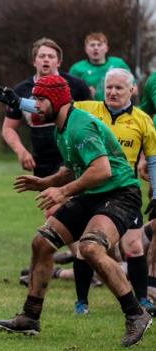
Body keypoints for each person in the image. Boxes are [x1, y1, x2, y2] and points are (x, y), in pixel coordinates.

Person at [0, 75, 152, 347]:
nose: (36, 107)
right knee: (42, 242)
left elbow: (102, 170)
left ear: (55, 100)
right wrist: (45, 182)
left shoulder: (80, 127)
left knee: (91, 248)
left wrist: (63, 191)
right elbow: (73, 169)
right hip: (92, 193)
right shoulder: (61, 127)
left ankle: (136, 314)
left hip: (119, 193)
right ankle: (30, 317)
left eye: (41, 100)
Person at [72, 68, 156, 314]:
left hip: (125, 192)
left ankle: (142, 300)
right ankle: (82, 302)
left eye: (119, 88)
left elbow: (152, 160)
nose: (112, 92)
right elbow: (54, 108)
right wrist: (20, 102)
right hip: (92, 190)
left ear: (132, 90)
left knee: (134, 246)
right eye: (109, 87)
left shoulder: (142, 120)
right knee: (86, 247)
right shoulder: (87, 110)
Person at [1, 38, 91, 180]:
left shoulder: (77, 86)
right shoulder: (21, 90)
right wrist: (21, 151)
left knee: (69, 199)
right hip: (42, 160)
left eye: (51, 56)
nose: (46, 60)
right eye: (42, 56)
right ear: (34, 61)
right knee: (50, 201)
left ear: (59, 62)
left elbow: (90, 120)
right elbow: (8, 128)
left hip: (72, 155)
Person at [69, 32, 132, 101]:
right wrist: (84, 93)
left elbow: (134, 89)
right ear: (86, 49)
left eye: (99, 45)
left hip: (115, 108)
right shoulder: (77, 69)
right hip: (89, 109)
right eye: (92, 45)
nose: (96, 48)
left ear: (106, 48)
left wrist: (118, 91)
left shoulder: (118, 64)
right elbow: (69, 95)